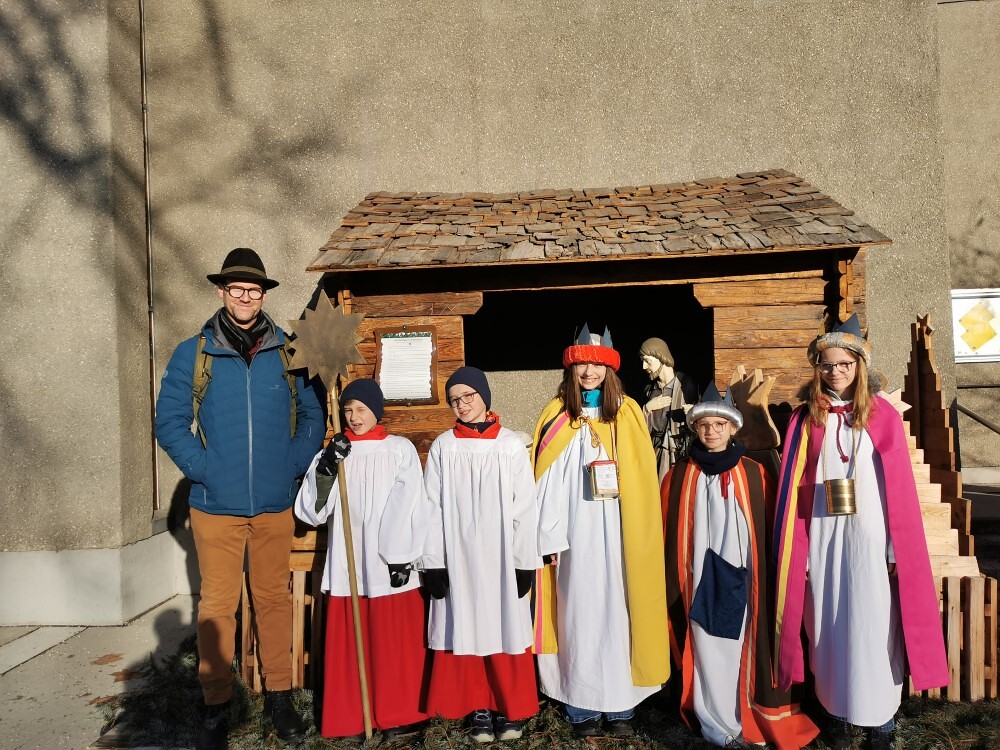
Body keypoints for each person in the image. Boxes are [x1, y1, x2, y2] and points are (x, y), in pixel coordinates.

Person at [155, 248, 325, 750]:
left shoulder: (289, 351)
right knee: (217, 605)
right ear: (222, 292)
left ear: (264, 295)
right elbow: (169, 421)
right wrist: (204, 469)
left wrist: (292, 464)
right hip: (215, 507)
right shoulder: (195, 353)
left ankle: (280, 696)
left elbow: (312, 415)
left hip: (274, 504)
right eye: (237, 289)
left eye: (254, 290)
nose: (246, 297)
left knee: (273, 600)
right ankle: (216, 703)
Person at [773, 315, 949, 750]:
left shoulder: (882, 414)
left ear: (859, 365)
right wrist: (802, 551)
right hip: (823, 537)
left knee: (875, 623)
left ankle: (880, 720)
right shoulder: (805, 418)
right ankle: (835, 711)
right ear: (818, 367)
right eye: (827, 364)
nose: (835, 371)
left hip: (871, 539)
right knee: (826, 622)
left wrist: (893, 548)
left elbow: (897, 488)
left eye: (844, 364)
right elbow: (794, 488)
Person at [661, 384, 818, 749]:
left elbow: (772, 531)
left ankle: (744, 711)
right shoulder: (679, 475)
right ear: (695, 428)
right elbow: (667, 533)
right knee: (705, 640)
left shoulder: (755, 474)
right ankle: (714, 717)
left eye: (719, 424)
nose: (711, 431)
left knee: (741, 643)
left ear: (733, 428)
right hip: (697, 577)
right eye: (704, 425)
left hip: (746, 579)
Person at [532, 325, 670, 738]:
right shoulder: (557, 413)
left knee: (619, 611)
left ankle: (620, 704)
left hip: (618, 533)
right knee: (577, 612)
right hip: (574, 537)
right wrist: (548, 536)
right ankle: (581, 705)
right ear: (571, 369)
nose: (589, 372)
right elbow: (546, 480)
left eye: (597, 365)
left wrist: (637, 534)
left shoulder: (626, 412)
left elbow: (641, 479)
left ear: (609, 370)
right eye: (582, 365)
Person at [293, 378, 433, 740]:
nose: (354, 417)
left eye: (361, 409)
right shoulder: (335, 453)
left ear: (376, 410)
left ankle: (398, 714)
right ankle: (353, 716)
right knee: (351, 645)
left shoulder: (398, 450)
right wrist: (326, 469)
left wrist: (401, 556)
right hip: (349, 562)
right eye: (347, 410)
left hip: (388, 563)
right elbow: (311, 512)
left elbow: (410, 503)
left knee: (392, 644)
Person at [421, 367, 540, 743]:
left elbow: (525, 506)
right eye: (454, 400)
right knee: (466, 625)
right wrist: (433, 561)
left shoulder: (509, 445)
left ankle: (508, 706)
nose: (462, 404)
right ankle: (478, 707)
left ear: (484, 397)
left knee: (504, 628)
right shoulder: (444, 446)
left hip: (502, 558)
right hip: (459, 556)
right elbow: (431, 506)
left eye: (468, 396)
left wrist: (524, 561)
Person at [640, 337, 698, 482]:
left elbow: (701, 419)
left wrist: (694, 411)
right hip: (653, 452)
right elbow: (639, 427)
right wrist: (646, 409)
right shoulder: (649, 390)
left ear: (661, 357)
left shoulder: (686, 385)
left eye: (647, 361)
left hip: (678, 452)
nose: (644, 367)